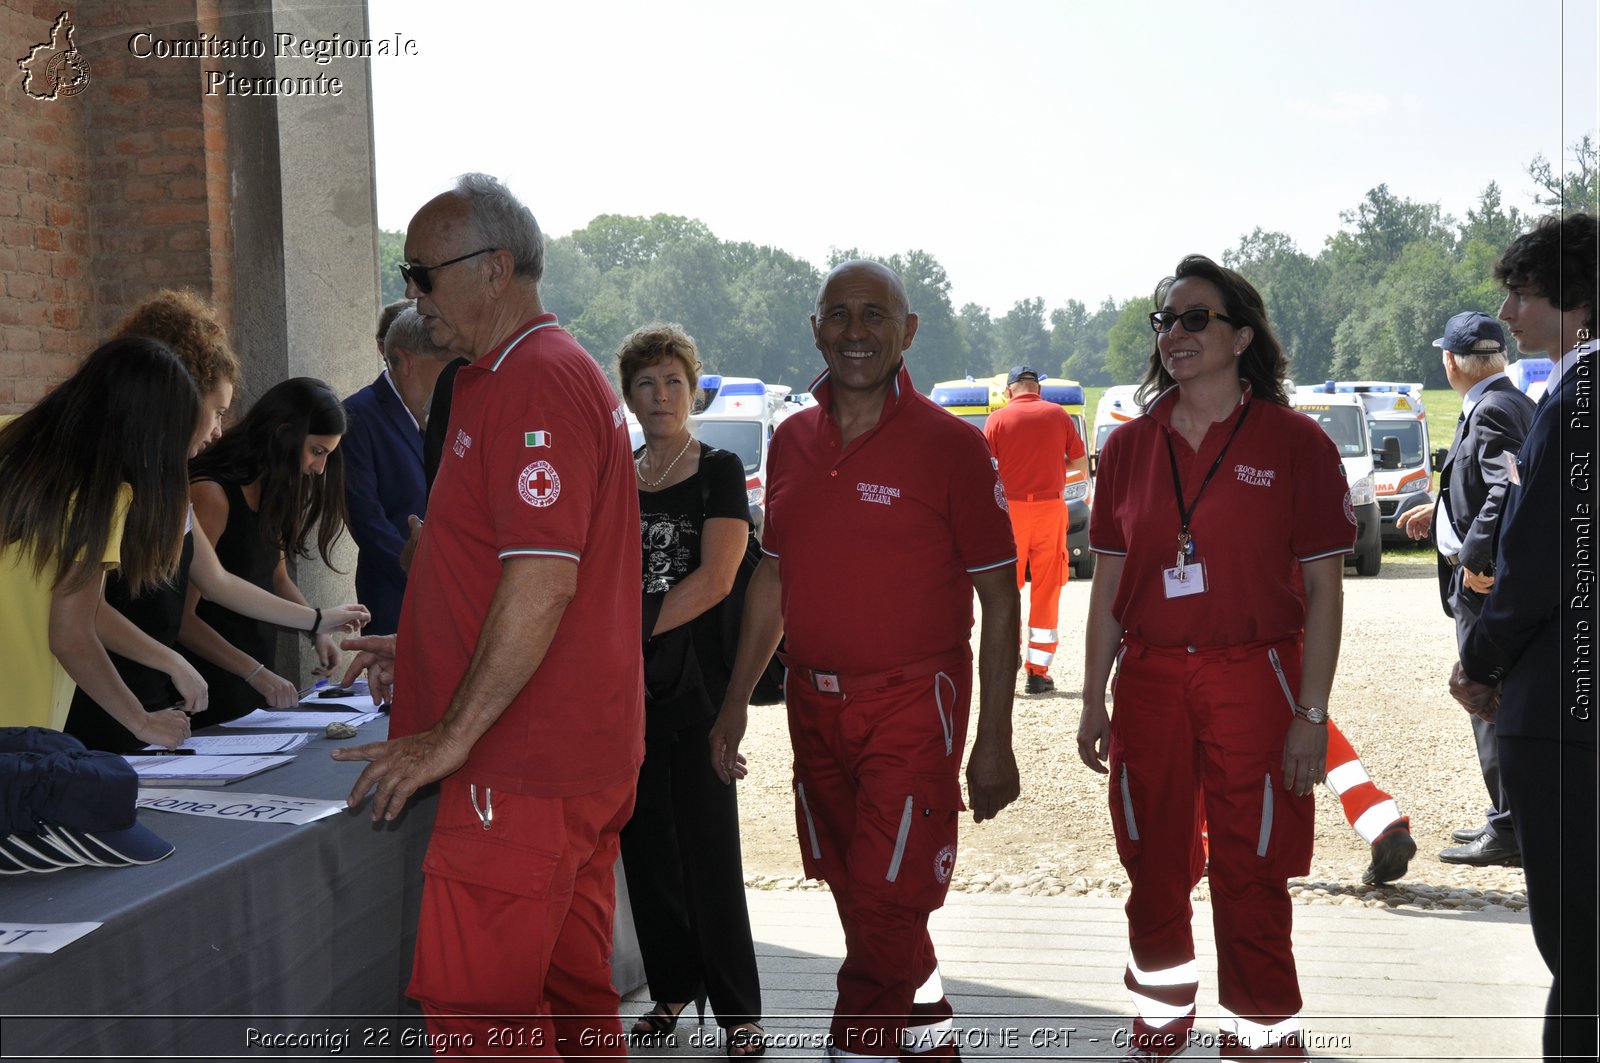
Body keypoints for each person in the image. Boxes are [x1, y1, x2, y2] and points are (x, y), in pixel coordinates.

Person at [331, 173, 643, 1057]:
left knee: (478, 1017)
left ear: (494, 269)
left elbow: (544, 580)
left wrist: (450, 734)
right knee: (572, 994)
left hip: (522, 763)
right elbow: (507, 567)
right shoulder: (497, 376)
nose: (412, 294)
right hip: (554, 755)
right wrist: (422, 637)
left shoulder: (536, 379)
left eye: (423, 274)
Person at [710, 259, 1021, 1062]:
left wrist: (995, 739)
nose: (856, 331)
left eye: (874, 315)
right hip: (815, 708)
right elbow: (773, 576)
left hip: (916, 704)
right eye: (839, 314)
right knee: (861, 893)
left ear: (907, 331)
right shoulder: (791, 441)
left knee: (886, 903)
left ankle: (857, 1049)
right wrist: (738, 697)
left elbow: (1000, 599)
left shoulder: (952, 447)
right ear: (816, 327)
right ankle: (927, 1038)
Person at [1077, 255, 1352, 1061]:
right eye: (1165, 319)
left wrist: (1310, 713)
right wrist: (1094, 697)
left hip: (1254, 677)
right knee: (1152, 863)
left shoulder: (1295, 442)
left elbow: (1327, 592)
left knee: (1252, 869)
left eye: (1195, 318)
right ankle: (1159, 1027)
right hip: (1153, 680)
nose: (1175, 333)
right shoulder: (1129, 446)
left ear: (1240, 335)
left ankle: (1262, 1041)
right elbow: (1107, 586)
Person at [65, 291, 369, 753]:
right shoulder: (114, 487)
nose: (218, 430)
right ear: (176, 399)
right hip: (107, 701)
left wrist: (317, 619)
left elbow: (221, 580)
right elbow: (81, 618)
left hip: (151, 700)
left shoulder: (164, 488)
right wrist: (179, 665)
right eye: (219, 411)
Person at [1451, 212, 1596, 1063]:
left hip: (1564, 713)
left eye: (1523, 291)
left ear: (1576, 301)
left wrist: (1480, 658)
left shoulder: (1577, 398)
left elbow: (1540, 559)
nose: (1506, 312)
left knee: (1579, 948)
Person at [615, 323, 765, 1056]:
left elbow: (718, 576)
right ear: (630, 396)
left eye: (673, 380)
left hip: (697, 680)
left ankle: (739, 1010)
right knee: (645, 845)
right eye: (646, 382)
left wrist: (631, 629)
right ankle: (672, 989)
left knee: (708, 845)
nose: (661, 394)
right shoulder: (618, 469)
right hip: (626, 687)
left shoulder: (720, 468)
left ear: (694, 387)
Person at [0, 337, 197, 749]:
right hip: (19, 726)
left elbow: (79, 604)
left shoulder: (10, 435)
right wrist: (142, 721)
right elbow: (71, 633)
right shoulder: (100, 494)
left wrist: (169, 659)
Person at [1395, 310, 1534, 867]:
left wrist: (1478, 557)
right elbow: (1493, 481)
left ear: (1451, 362)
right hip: (1486, 577)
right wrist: (1443, 508)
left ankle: (1509, 827)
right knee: (1494, 700)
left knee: (1486, 699)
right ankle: (1509, 817)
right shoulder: (1500, 402)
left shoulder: (1495, 409)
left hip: (1484, 583)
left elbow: (1507, 489)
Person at [180, 377, 352, 728]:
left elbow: (276, 576)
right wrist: (254, 672)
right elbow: (183, 618)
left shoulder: (275, 488)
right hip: (204, 685)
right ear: (283, 433)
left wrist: (318, 631)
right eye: (317, 451)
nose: (320, 469)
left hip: (255, 681)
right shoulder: (212, 493)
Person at [342, 305, 452, 634]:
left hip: (452, 592)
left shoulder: (447, 409)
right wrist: (424, 573)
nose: (449, 383)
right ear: (405, 361)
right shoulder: (358, 416)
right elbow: (367, 522)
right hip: (395, 596)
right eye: (442, 372)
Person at [984, 363, 1089, 694]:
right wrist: (1054, 466)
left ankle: (1007, 657)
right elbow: (1081, 463)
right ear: (1037, 389)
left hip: (1010, 513)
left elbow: (985, 468)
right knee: (1047, 588)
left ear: (1010, 389)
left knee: (1006, 588)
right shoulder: (1058, 415)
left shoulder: (997, 419)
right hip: (1049, 509)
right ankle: (1037, 673)